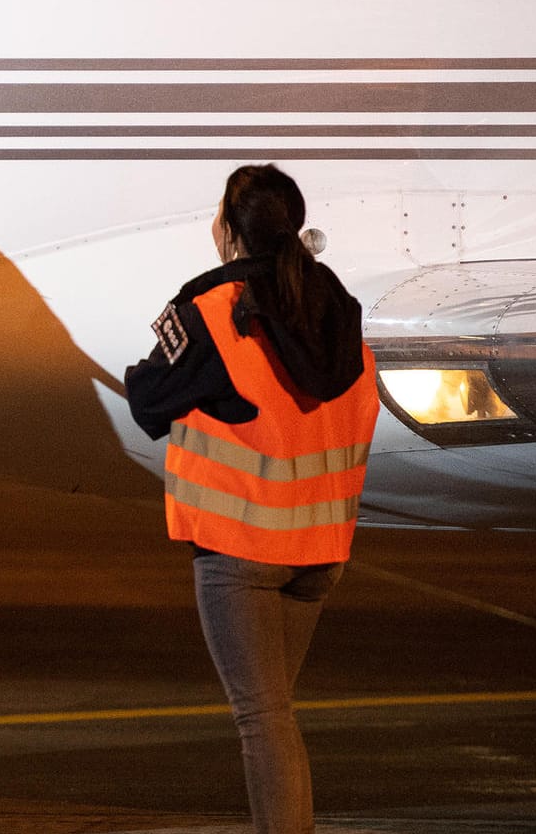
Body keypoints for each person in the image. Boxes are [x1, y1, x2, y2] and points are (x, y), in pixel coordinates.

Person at [125, 164, 380, 834]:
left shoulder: (213, 307)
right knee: (276, 716)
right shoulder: (338, 310)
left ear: (229, 227)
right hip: (320, 553)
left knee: (262, 722)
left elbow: (148, 400)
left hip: (240, 552)